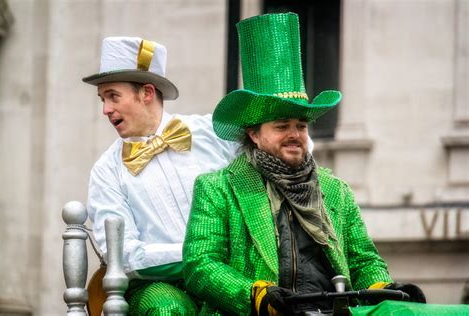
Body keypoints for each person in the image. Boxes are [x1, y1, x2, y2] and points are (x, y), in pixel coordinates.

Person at [182, 13, 426, 315]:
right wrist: (255, 295)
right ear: (254, 134)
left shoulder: (336, 190)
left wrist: (382, 289)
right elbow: (200, 265)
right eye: (282, 125)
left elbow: (364, 261)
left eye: (301, 125)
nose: (295, 135)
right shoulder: (217, 188)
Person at [83, 36, 238, 315]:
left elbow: (280, 148)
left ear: (147, 93)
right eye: (102, 98)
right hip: (158, 287)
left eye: (112, 96)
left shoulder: (213, 134)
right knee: (166, 309)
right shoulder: (106, 171)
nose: (105, 109)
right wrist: (199, 257)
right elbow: (122, 255)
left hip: (229, 276)